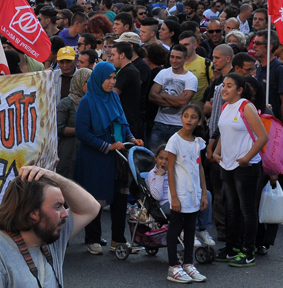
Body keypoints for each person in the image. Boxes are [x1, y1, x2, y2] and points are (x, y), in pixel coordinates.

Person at [74, 63, 143, 255]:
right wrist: (107, 146)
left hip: (117, 158)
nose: (112, 82)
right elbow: (82, 132)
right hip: (95, 159)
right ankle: (93, 239)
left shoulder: (114, 97)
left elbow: (122, 123)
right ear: (98, 79)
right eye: (108, 78)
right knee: (95, 199)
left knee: (120, 199)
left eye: (114, 78)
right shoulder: (87, 101)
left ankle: (118, 240)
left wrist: (131, 139)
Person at [210, 73, 267, 268]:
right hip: (227, 165)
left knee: (247, 210)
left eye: (229, 86)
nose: (224, 89)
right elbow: (224, 133)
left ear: (240, 90)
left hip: (246, 167)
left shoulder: (246, 107)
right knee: (231, 209)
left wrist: (247, 158)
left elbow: (263, 137)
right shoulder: (225, 106)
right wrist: (216, 152)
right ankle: (232, 247)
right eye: (223, 85)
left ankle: (248, 251)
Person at [165, 105, 209, 284]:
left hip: (194, 193)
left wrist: (204, 193)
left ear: (199, 121)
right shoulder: (174, 141)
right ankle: (173, 266)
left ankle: (188, 264)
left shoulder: (198, 142)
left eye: (193, 117)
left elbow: (200, 168)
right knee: (175, 228)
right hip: (180, 192)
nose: (189, 120)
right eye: (186, 116)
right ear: (181, 118)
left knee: (191, 228)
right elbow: (170, 169)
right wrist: (174, 196)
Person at [148, 45, 197, 150]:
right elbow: (152, 95)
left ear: (185, 59)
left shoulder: (191, 78)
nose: (174, 60)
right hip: (160, 123)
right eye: (172, 57)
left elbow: (183, 102)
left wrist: (162, 94)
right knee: (154, 156)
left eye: (178, 58)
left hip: (179, 125)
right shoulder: (163, 73)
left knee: (177, 156)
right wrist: (176, 102)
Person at [56, 68, 91, 180]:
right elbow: (59, 128)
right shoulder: (66, 103)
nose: (92, 85)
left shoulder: (92, 103)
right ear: (79, 82)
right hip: (68, 151)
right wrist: (80, 131)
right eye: (88, 82)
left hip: (86, 150)